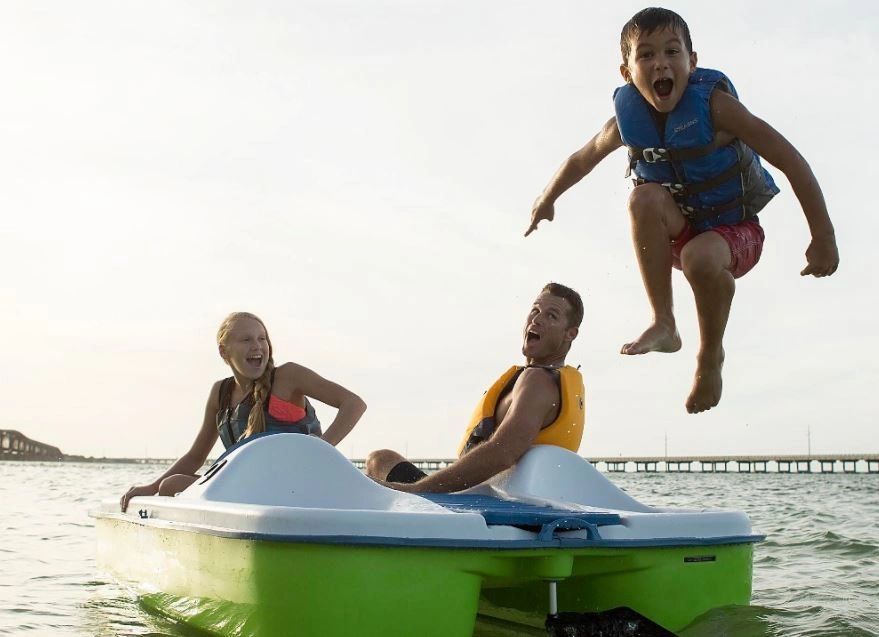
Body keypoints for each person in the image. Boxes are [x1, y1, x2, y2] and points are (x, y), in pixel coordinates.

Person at [525, 8, 839, 414]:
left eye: (672, 51)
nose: (660, 63)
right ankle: (664, 322)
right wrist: (545, 199)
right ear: (626, 72)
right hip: (680, 234)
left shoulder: (716, 107)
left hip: (737, 235)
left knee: (700, 257)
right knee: (643, 199)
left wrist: (823, 236)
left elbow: (790, 158)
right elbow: (580, 159)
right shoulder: (625, 123)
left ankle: (710, 358)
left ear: (692, 62)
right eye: (646, 55)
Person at [120, 312, 366, 511]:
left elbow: (353, 404)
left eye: (262, 338)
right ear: (224, 352)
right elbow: (196, 456)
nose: (257, 346)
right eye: (247, 340)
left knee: (173, 485)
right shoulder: (220, 392)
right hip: (246, 489)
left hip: (296, 487)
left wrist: (319, 448)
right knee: (169, 485)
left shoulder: (288, 376)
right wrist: (150, 487)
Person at [366, 283, 585, 493]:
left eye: (551, 315)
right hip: (502, 497)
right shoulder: (556, 380)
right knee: (381, 459)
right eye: (535, 310)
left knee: (378, 460)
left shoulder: (538, 380)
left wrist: (418, 490)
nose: (536, 319)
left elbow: (503, 452)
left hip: (480, 503)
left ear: (570, 334)